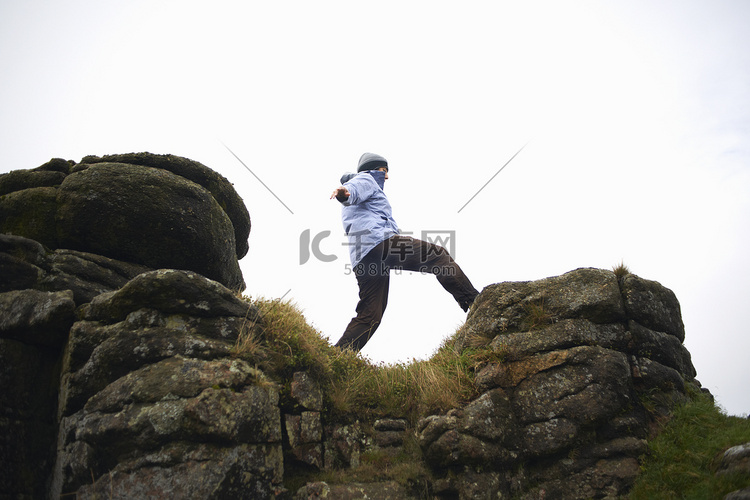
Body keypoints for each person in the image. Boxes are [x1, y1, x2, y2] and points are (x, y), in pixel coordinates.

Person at [330, 152, 479, 351]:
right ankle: (475, 302)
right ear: (374, 169)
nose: (387, 177)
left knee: (371, 315)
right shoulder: (366, 179)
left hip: (363, 258)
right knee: (438, 256)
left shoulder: (364, 184)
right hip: (380, 243)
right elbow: (352, 192)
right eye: (384, 171)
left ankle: (338, 358)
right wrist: (344, 193)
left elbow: (353, 193)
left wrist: (346, 193)